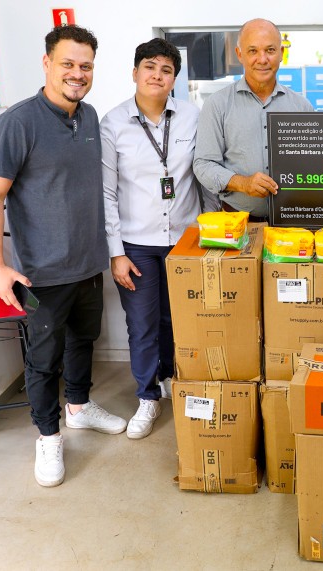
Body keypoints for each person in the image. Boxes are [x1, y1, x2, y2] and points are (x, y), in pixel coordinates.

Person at [0, 25, 126, 488]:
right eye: (68, 63)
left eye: (85, 66)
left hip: (87, 262)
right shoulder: (17, 122)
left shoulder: (89, 116)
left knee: (85, 340)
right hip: (40, 272)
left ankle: (79, 409)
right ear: (46, 63)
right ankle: (48, 436)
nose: (77, 74)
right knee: (44, 359)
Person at [101, 38, 204, 439]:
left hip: (184, 239)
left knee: (176, 318)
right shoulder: (113, 123)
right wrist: (115, 253)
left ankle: (168, 377)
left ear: (174, 79)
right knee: (142, 323)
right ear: (135, 73)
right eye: (150, 67)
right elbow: (107, 193)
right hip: (137, 244)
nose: (157, 76)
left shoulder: (192, 117)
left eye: (166, 70)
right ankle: (146, 397)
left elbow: (203, 176)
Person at [193, 19, 313, 221]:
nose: (262, 59)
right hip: (237, 223)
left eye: (270, 50)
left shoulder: (302, 107)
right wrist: (243, 183)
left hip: (292, 222)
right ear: (240, 54)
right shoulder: (217, 104)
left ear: (282, 54)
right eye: (253, 51)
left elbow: (314, 164)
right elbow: (203, 164)